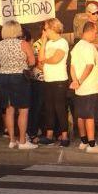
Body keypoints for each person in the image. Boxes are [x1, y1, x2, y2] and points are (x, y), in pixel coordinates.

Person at [0, 20, 38, 150]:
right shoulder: (23, 43)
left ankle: (12, 140)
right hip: (19, 77)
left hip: (4, 77)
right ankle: (22, 141)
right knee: (23, 110)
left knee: (9, 109)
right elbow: (32, 61)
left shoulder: (0, 44)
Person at [70, 22, 98, 154]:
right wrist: (79, 81)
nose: (96, 35)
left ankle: (84, 141)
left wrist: (75, 81)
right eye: (95, 33)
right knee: (90, 115)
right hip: (91, 87)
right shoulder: (89, 47)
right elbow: (89, 66)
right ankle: (91, 144)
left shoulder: (76, 47)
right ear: (89, 31)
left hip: (81, 88)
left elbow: (72, 67)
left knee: (81, 115)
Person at [38, 18, 70, 147]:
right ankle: (49, 135)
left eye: (45, 29)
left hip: (59, 79)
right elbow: (40, 59)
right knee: (49, 108)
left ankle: (64, 136)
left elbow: (56, 59)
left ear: (52, 28)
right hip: (48, 79)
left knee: (60, 107)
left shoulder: (62, 42)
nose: (44, 31)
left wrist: (45, 61)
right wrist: (43, 41)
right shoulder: (48, 43)